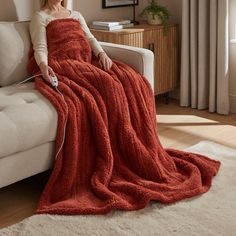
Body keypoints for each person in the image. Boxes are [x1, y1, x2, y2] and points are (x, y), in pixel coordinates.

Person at [30, 0, 113, 83]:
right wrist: (43, 65)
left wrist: (102, 53)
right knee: (105, 80)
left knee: (123, 74)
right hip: (62, 63)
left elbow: (90, 38)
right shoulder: (40, 17)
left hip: (86, 60)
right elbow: (40, 47)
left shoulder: (76, 15)